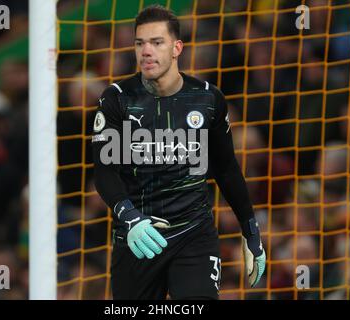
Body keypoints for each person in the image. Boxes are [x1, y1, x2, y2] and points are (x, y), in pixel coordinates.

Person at [92, 4, 265, 300]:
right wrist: (129, 216)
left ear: (176, 47)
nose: (146, 51)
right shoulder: (117, 100)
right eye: (140, 43)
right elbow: (104, 171)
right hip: (138, 238)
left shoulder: (208, 99)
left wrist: (251, 231)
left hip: (194, 235)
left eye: (156, 42)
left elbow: (226, 169)